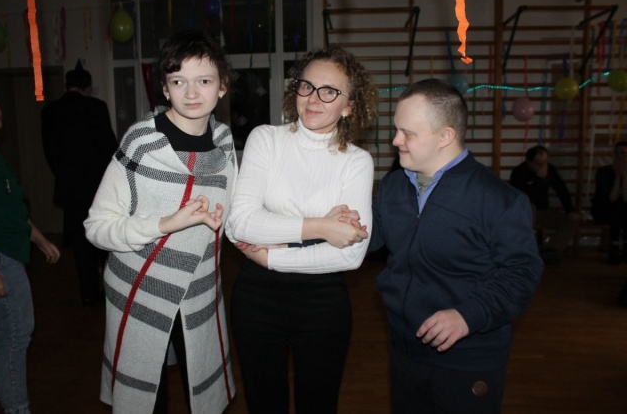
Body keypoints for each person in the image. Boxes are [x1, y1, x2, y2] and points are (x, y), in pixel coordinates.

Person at [369, 79, 543, 414]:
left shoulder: (499, 199)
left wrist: (468, 315)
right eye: (396, 130)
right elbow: (371, 239)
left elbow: (523, 272)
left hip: (469, 359)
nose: (395, 141)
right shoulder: (392, 186)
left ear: (445, 136)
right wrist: (343, 226)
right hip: (405, 352)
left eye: (407, 133)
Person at [84, 30, 236, 413]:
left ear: (222, 86)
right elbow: (96, 227)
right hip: (140, 290)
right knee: (146, 401)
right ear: (165, 89)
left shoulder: (224, 143)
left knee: (203, 396)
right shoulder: (141, 142)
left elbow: (232, 216)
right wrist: (164, 224)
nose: (191, 92)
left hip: (200, 293)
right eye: (178, 81)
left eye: (204, 81)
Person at [225, 47, 377, 413]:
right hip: (257, 298)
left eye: (329, 91)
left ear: (349, 106)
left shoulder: (357, 162)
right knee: (264, 404)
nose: (313, 98)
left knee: (318, 405)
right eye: (306, 86)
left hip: (321, 301)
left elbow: (351, 254)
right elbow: (240, 222)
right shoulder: (266, 139)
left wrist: (271, 257)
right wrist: (323, 227)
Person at [0, 89, 61, 413]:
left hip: (6, 253)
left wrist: (40, 239)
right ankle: (17, 408)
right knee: (16, 333)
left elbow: (9, 209)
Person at [41, 60, 118, 306]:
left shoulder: (50, 111)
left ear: (67, 85)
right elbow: (110, 148)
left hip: (71, 190)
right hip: (99, 188)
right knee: (105, 242)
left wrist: (64, 175)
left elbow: (50, 153)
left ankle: (88, 295)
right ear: (88, 86)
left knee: (81, 245)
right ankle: (111, 291)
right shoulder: (97, 107)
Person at [510, 145, 580, 265]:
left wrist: (570, 210)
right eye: (539, 164)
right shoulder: (519, 173)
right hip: (524, 216)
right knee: (530, 206)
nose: (543, 167)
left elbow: (561, 190)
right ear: (529, 162)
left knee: (573, 219)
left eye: (545, 163)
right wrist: (539, 180)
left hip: (544, 212)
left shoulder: (550, 170)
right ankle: (523, 250)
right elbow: (523, 199)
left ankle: (551, 250)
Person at [591, 141, 627, 265]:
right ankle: (615, 245)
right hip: (604, 210)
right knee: (618, 207)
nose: (620, 157)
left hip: (622, 212)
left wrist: (625, 176)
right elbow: (611, 198)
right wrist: (618, 176)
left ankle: (620, 245)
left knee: (623, 208)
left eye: (624, 153)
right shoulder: (603, 172)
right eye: (617, 153)